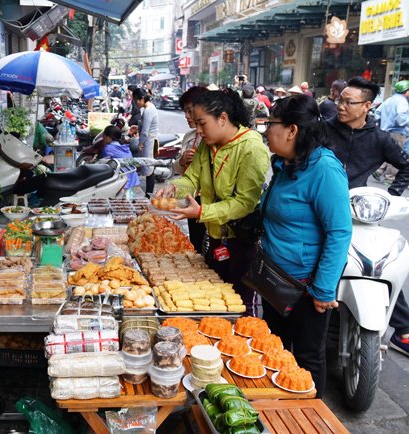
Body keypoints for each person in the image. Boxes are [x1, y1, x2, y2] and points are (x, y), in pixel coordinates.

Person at [261, 95, 352, 399]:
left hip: (305, 289)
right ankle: (279, 414)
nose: (266, 130)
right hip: (275, 280)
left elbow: (339, 233)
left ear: (291, 130)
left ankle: (310, 417)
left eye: (270, 124)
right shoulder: (284, 163)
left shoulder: (324, 169)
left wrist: (324, 291)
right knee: (274, 350)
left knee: (307, 358)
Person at [155, 88, 270, 316]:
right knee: (215, 299)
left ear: (223, 118)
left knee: (239, 306)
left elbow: (244, 203)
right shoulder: (206, 147)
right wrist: (174, 188)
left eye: (202, 123)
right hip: (217, 239)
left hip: (242, 242)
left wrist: (201, 212)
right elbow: (192, 179)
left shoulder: (251, 148)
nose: (198, 130)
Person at [325, 76, 409, 358]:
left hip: (358, 212)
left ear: (367, 106)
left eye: (349, 102)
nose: (341, 106)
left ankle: (403, 327)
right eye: (340, 100)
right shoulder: (324, 131)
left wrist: (394, 195)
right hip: (322, 208)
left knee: (376, 264)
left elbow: (405, 167)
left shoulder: (379, 139)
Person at [174, 85, 209, 253]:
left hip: (209, 202)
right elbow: (181, 171)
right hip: (191, 197)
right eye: (185, 112)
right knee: (195, 243)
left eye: (190, 111)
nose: (187, 116)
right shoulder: (189, 136)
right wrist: (182, 161)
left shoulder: (212, 137)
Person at [373, 80, 409, 184]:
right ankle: (389, 179)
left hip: (386, 131)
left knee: (387, 153)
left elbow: (377, 112)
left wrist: (381, 123)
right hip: (398, 132)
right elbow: (401, 119)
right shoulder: (402, 102)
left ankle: (379, 171)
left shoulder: (389, 100)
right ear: (406, 91)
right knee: (396, 156)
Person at [133, 87, 159, 197]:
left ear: (142, 98)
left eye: (136, 101)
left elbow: (145, 130)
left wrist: (140, 142)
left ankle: (149, 194)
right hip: (149, 140)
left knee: (149, 169)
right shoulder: (148, 108)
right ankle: (148, 194)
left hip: (150, 141)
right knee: (148, 167)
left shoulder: (148, 110)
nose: (135, 104)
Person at [100, 125, 140, 191]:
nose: (103, 138)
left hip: (122, 180)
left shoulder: (108, 148)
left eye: (103, 136)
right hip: (131, 178)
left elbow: (103, 165)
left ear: (109, 137)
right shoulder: (124, 147)